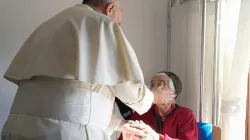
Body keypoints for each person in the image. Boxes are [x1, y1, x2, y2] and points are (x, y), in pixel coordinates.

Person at [1, 0, 155, 140]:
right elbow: (132, 92)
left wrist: (119, 124)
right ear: (110, 9)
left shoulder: (49, 25)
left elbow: (69, 95)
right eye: (119, 23)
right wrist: (154, 97)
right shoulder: (102, 24)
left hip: (18, 129)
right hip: (63, 134)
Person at [119, 71, 198, 140]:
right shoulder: (141, 112)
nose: (154, 89)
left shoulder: (185, 114)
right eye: (152, 85)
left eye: (160, 85)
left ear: (173, 93)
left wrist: (157, 138)